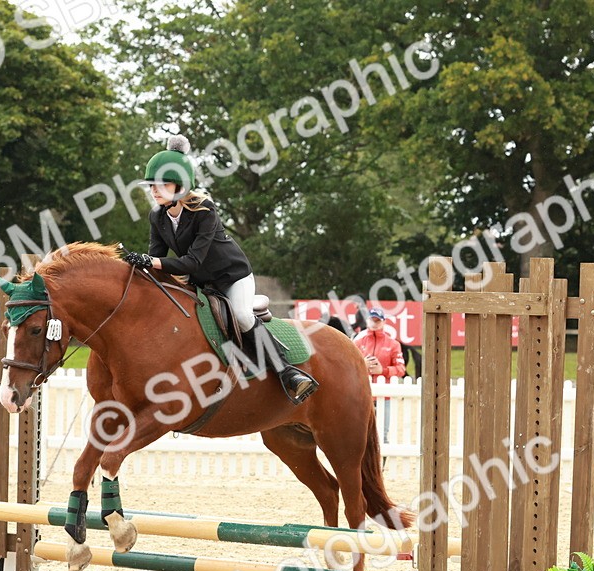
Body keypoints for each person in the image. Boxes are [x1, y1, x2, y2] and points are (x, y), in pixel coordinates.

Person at [120, 135, 318, 404]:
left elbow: (192, 261)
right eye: (151, 185)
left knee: (242, 315)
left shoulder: (204, 210)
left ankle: (288, 373)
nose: (153, 190)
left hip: (232, 276)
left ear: (180, 186)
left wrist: (150, 261)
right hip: (201, 282)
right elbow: (156, 258)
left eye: (160, 184)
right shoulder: (157, 216)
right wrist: (134, 266)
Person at [354, 308, 406, 380]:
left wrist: (383, 370)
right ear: (367, 321)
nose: (374, 323)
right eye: (372, 320)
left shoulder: (394, 344)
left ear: (384, 322)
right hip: (363, 388)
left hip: (385, 389)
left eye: (377, 320)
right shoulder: (358, 342)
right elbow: (348, 367)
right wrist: (362, 365)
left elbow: (401, 370)